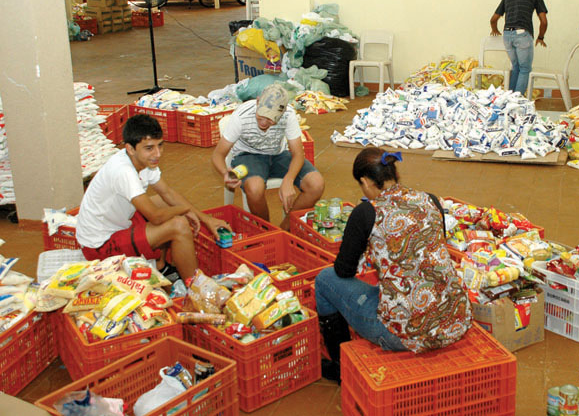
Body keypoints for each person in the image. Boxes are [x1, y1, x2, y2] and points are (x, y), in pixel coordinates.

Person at [314, 148, 472, 383]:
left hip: (404, 332)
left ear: (366, 182)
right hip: (453, 319)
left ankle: (340, 367)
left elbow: (343, 270)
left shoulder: (366, 213)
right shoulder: (430, 199)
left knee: (325, 280)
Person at [76, 114, 230, 282]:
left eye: (160, 145)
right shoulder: (123, 171)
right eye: (149, 148)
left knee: (163, 202)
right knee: (178, 225)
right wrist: (185, 210)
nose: (157, 154)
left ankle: (161, 267)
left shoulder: (143, 161)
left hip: (115, 224)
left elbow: (167, 193)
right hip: (99, 246)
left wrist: (207, 220)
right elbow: (155, 218)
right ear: (130, 148)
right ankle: (196, 289)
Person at [211, 84, 324, 228]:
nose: (264, 123)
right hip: (248, 156)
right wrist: (224, 172)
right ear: (258, 102)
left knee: (316, 184)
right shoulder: (242, 115)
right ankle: (267, 231)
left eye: (271, 120)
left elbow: (298, 154)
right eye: (261, 116)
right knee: (254, 188)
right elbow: (217, 155)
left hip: (278, 154)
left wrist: (288, 180)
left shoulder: (288, 114)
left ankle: (285, 229)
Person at [490, 0, 548, 95]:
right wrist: (540, 37)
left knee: (516, 67)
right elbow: (544, 21)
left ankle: (509, 98)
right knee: (525, 69)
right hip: (522, 34)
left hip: (507, 34)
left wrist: (495, 30)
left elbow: (493, 19)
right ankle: (517, 100)